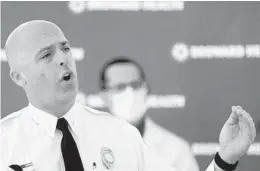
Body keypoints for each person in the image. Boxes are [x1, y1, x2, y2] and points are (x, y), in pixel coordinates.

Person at [0, 20, 256, 171]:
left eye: (65, 49)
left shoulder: (120, 134)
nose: (63, 60)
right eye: (46, 55)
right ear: (19, 77)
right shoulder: (4, 143)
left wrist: (225, 159)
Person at [99, 57, 199, 171]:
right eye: (120, 87)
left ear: (146, 88)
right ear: (104, 96)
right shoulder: (86, 147)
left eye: (135, 85)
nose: (129, 92)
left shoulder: (176, 150)